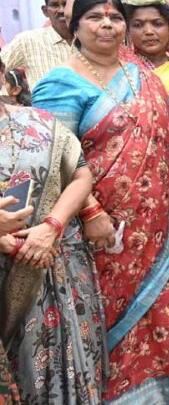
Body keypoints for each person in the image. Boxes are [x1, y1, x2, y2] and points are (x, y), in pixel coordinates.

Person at [32, 0, 169, 404]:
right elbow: (54, 160)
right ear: (74, 27)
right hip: (99, 230)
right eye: (95, 17)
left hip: (160, 225)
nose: (107, 24)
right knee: (112, 313)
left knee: (168, 305)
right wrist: (93, 211)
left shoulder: (142, 74)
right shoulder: (60, 83)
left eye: (114, 16)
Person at [0, 100, 106, 404]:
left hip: (57, 260)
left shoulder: (41, 123)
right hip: (9, 269)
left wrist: (51, 226)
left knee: (67, 363)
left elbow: (80, 175)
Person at [0, 0, 75, 88]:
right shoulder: (28, 41)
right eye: (54, 5)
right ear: (45, 11)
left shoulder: (88, 40)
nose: (61, 10)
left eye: (66, 4)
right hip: (43, 105)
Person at [126, 2, 169, 101]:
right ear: (128, 32)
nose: (149, 31)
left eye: (157, 24)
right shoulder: (122, 72)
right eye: (138, 25)